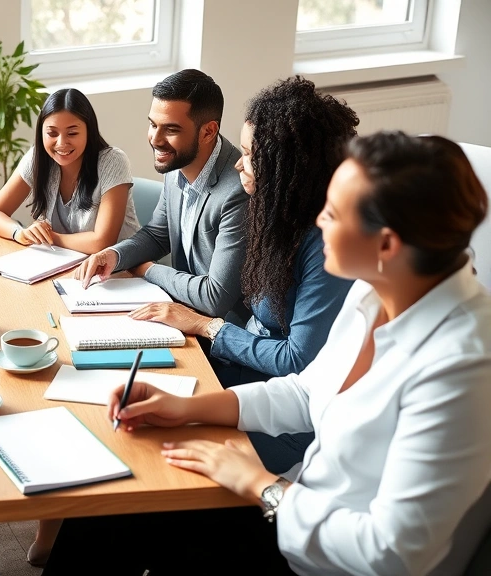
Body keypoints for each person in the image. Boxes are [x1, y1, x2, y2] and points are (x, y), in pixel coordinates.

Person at [43, 132, 491, 575]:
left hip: (323, 559)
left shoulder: (460, 368)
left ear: (387, 244)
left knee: (134, 507)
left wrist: (259, 484)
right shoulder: (376, 291)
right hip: (298, 513)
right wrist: (186, 408)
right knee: (110, 505)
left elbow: (392, 554)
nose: (320, 224)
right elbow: (304, 393)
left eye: (333, 214)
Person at [129, 77, 358, 474]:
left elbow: (295, 360)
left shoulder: (324, 247)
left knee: (159, 456)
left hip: (291, 419)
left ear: (284, 167)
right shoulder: (277, 219)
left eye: (249, 154)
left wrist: (207, 326)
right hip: (248, 379)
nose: (238, 163)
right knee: (142, 411)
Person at [74, 69, 249, 323]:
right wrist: (114, 255)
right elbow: (158, 234)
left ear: (208, 131)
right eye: (153, 124)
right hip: (178, 311)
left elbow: (216, 297)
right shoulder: (178, 164)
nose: (155, 139)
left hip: (220, 337)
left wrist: (148, 270)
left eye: (171, 129)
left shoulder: (238, 191)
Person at [0, 88, 140, 253]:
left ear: (89, 131)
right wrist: (20, 233)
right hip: (68, 265)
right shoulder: (37, 157)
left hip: (125, 269)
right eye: (52, 133)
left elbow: (101, 243)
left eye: (72, 133)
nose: (61, 143)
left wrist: (48, 237)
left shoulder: (113, 161)